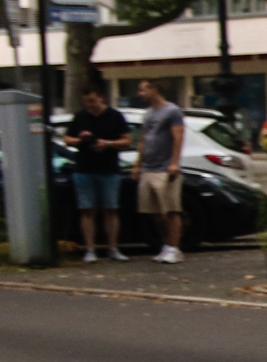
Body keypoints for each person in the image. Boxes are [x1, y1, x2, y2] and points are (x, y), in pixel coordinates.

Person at [61, 87, 131, 262]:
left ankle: (113, 248)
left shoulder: (115, 116)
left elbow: (127, 140)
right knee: (87, 210)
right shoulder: (80, 116)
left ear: (101, 98)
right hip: (84, 169)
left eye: (92, 101)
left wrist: (108, 144)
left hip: (109, 169)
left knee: (111, 210)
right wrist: (81, 139)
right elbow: (67, 139)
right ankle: (90, 249)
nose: (89, 106)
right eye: (86, 102)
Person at [133, 78, 188, 263]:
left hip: (164, 168)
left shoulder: (172, 111)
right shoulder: (148, 113)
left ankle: (175, 247)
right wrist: (137, 164)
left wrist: (174, 163)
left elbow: (178, 137)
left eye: (143, 90)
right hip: (149, 167)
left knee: (171, 209)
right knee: (155, 213)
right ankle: (166, 245)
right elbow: (143, 139)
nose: (140, 94)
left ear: (154, 89)